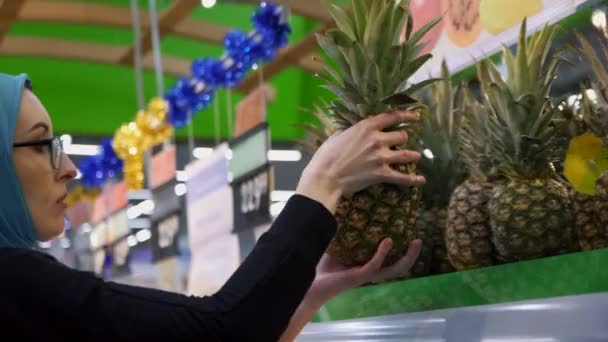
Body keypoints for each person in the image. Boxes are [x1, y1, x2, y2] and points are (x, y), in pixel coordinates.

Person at [0, 73, 425, 340]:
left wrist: (310, 291)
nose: (70, 169)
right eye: (43, 145)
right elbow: (223, 331)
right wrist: (322, 183)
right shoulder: (13, 279)